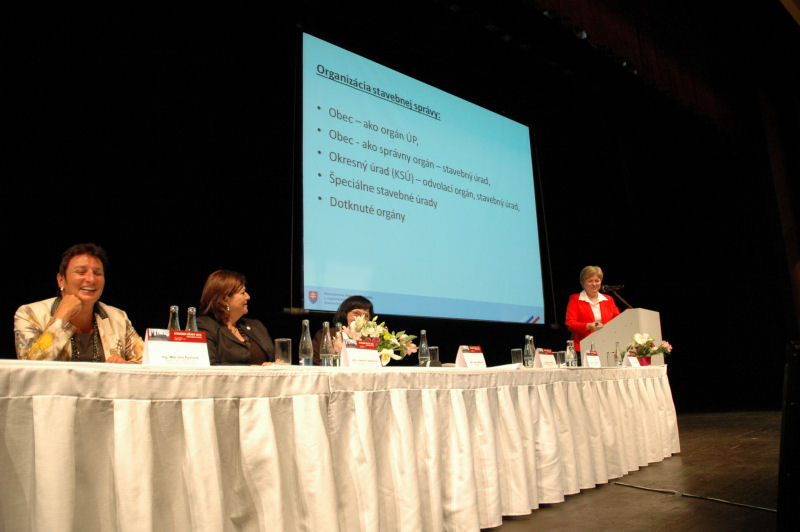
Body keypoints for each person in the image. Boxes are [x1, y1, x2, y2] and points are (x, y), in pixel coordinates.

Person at [14, 243, 143, 363]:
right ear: (61, 280)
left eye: (97, 273)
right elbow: (30, 366)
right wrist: (60, 319)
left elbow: (147, 365)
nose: (91, 279)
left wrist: (125, 366)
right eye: (81, 272)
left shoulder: (118, 318)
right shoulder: (30, 314)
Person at [196, 270, 276, 365]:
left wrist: (276, 365)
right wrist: (253, 369)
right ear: (225, 299)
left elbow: (274, 359)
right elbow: (209, 366)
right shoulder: (205, 326)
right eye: (243, 293)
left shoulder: (255, 326)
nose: (248, 297)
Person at [565, 265, 621, 352]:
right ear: (582, 283)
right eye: (590, 281)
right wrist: (589, 326)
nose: (594, 284)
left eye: (597, 281)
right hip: (583, 347)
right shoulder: (575, 299)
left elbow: (618, 320)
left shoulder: (608, 299)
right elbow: (570, 323)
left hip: (607, 345)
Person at [312, 295, 373, 365]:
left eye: (366, 316)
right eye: (356, 313)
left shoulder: (371, 339)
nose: (361, 318)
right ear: (345, 314)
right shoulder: (326, 334)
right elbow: (317, 362)